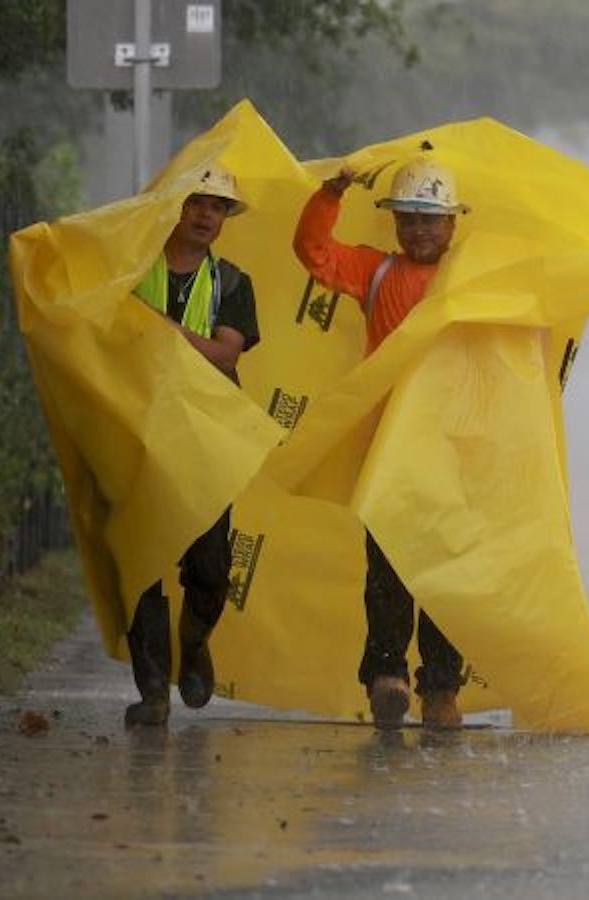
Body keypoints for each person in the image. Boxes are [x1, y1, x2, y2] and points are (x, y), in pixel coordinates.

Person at [291, 155, 471, 731]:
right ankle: (386, 677)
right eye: (409, 220)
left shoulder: (473, 278)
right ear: (395, 224)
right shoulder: (374, 274)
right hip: (389, 447)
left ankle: (442, 690)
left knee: (444, 571)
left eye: (431, 220)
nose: (420, 231)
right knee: (388, 565)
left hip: (451, 448)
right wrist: (329, 195)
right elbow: (314, 253)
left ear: (453, 225)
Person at [124, 164, 261, 727]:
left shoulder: (232, 282)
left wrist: (159, 329)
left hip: (206, 436)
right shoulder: (131, 271)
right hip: (140, 431)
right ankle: (153, 690)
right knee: (140, 565)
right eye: (197, 203)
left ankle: (196, 639)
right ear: (174, 209)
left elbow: (226, 353)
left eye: (218, 208)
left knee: (210, 562)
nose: (206, 216)